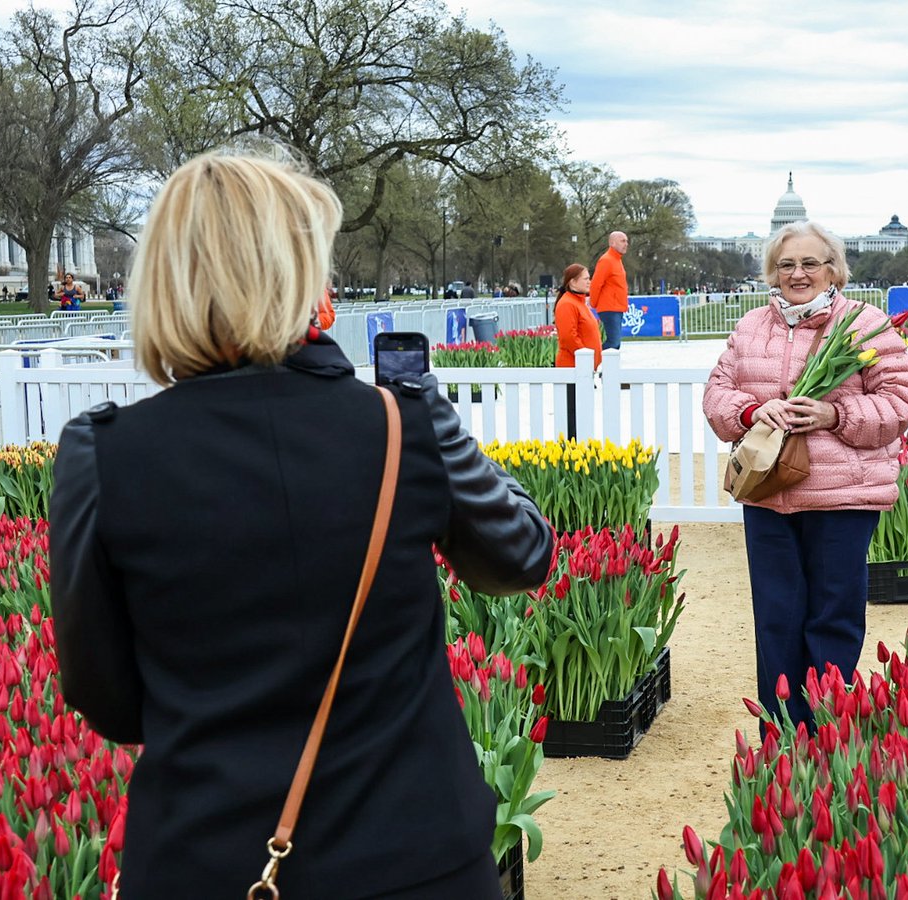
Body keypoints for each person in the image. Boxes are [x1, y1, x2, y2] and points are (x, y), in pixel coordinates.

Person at [49, 150, 554, 899]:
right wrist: (432, 418)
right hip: (416, 852)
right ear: (299, 278)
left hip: (209, 858)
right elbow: (521, 554)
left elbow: (108, 700)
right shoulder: (399, 424)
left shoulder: (104, 453)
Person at [702, 221, 908, 733]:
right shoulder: (751, 327)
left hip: (841, 497)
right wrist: (753, 411)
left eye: (809, 263)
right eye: (786, 265)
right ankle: (780, 735)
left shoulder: (865, 324)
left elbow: (900, 401)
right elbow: (716, 395)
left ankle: (826, 730)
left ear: (833, 270)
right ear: (771, 272)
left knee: (832, 617)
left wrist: (833, 415)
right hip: (768, 494)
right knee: (776, 618)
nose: (797, 274)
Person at [554, 263, 602, 439]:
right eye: (586, 279)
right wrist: (586, 359)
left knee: (580, 415)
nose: (589, 281)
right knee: (572, 416)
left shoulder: (579, 302)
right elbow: (569, 337)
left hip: (582, 370)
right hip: (572, 369)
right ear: (573, 282)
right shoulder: (567, 304)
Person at [590, 230, 629, 351]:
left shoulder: (617, 260)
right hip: (609, 307)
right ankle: (592, 359)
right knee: (613, 342)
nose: (626, 244)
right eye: (622, 241)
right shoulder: (607, 260)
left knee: (615, 343)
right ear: (612, 243)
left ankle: (601, 361)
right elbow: (596, 284)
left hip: (617, 307)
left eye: (626, 241)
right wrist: (594, 303)